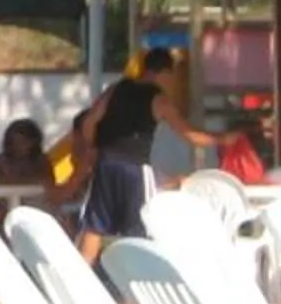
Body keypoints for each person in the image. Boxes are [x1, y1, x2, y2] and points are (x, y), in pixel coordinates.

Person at [71, 48, 218, 259]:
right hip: (135, 167)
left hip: (105, 163)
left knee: (94, 226)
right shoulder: (158, 99)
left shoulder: (116, 89)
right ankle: (133, 287)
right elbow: (191, 135)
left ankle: (77, 281)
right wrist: (223, 139)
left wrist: (92, 148)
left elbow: (89, 122)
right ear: (165, 73)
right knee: (141, 226)